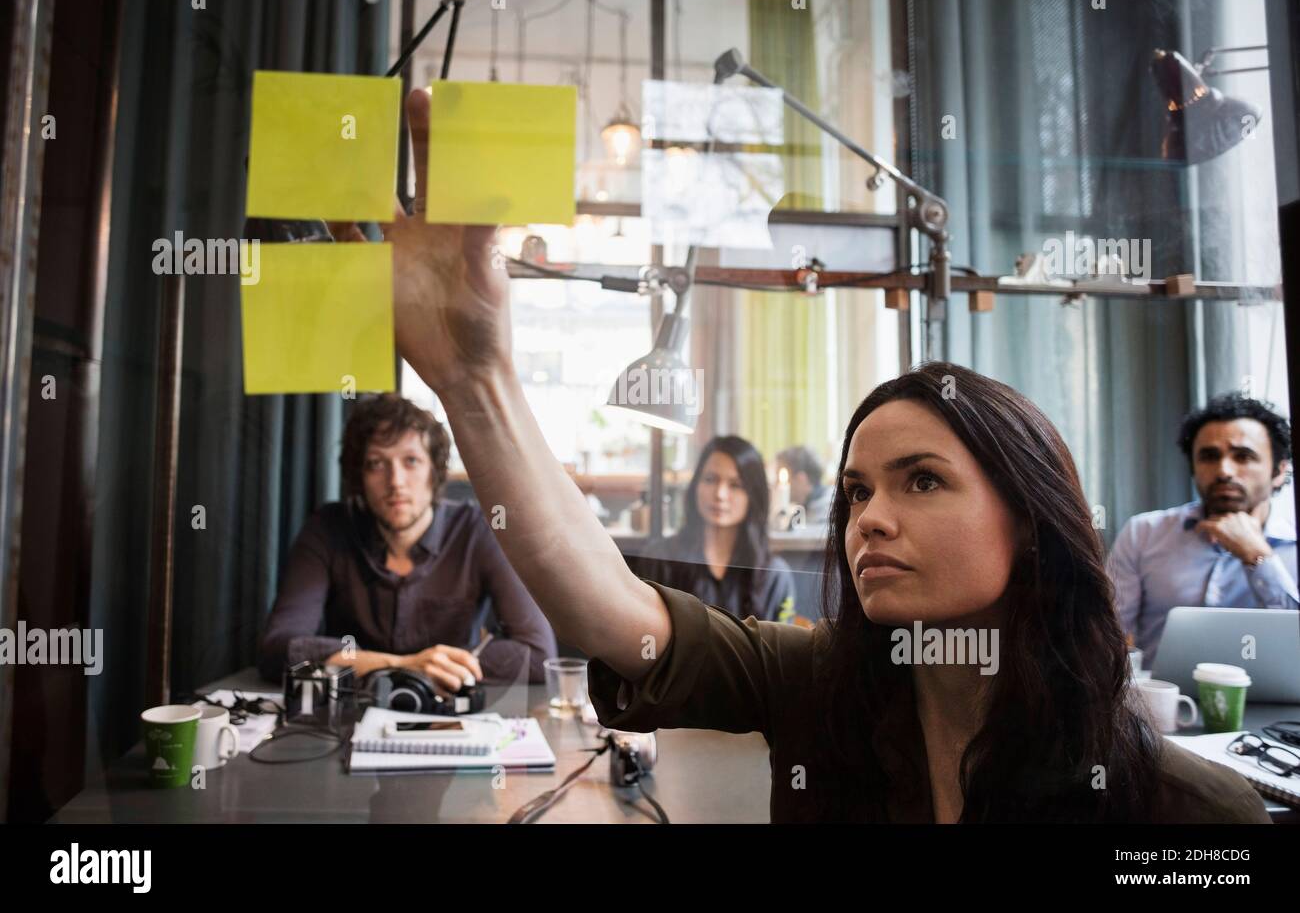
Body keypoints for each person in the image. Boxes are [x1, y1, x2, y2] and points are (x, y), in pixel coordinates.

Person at [370, 87, 1268, 822]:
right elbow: (612, 613)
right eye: (856, 492)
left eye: (923, 481)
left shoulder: (1189, 814)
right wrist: (475, 376)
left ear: (1033, 522)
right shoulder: (815, 683)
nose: (869, 518)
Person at [257, 394, 556, 690]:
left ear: (434, 470)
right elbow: (278, 648)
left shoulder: (479, 530)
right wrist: (404, 665)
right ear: (359, 476)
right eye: (376, 464)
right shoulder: (328, 529)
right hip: (351, 717)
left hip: (451, 713)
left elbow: (537, 654)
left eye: (411, 461)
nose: (396, 481)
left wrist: (433, 665)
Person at [1108, 393, 1296, 664]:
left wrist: (1258, 557)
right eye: (1209, 456)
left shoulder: (1293, 548)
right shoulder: (1144, 533)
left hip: (1275, 704)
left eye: (1243, 456)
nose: (1224, 471)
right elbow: (1106, 632)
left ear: (1279, 471)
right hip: (1164, 701)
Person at [638, 435, 797, 622]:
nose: (720, 494)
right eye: (710, 479)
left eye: (735, 485)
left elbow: (781, 648)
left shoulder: (774, 576)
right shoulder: (660, 559)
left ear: (753, 495)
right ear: (695, 485)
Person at [775, 444, 831, 527]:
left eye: (781, 479)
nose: (777, 485)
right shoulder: (798, 509)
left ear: (801, 479)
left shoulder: (826, 514)